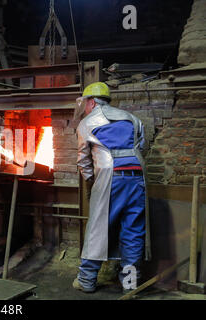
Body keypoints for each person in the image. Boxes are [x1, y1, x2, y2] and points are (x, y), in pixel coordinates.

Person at [72, 82, 151, 293]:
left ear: (90, 102)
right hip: (137, 179)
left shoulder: (87, 122)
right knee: (134, 231)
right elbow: (142, 146)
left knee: (98, 229)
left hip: (110, 179)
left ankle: (86, 280)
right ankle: (130, 284)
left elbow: (83, 161)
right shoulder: (132, 118)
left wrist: (91, 182)